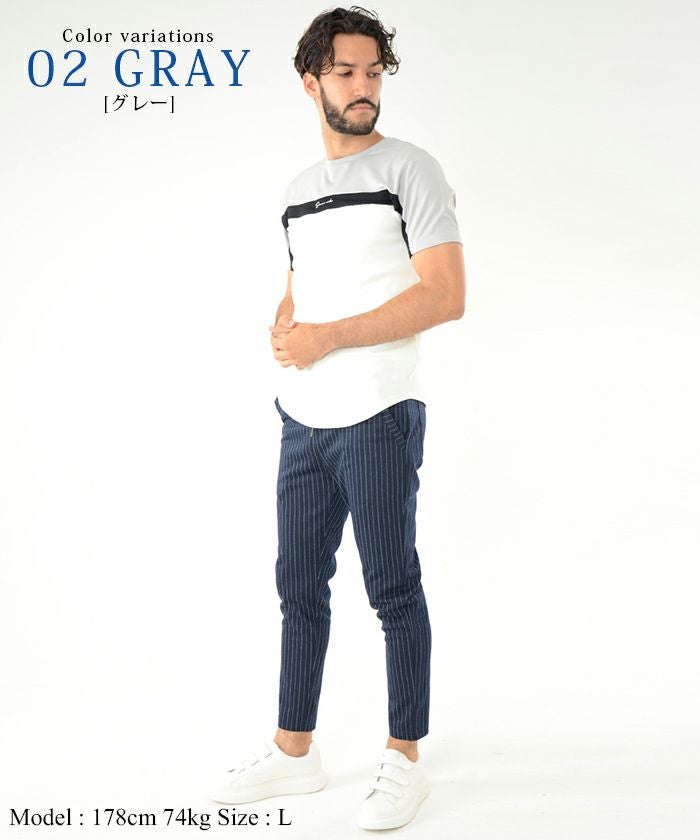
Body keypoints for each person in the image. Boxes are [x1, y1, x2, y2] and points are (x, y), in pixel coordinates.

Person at [208, 6, 465, 831]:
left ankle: (404, 758)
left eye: (373, 72)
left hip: (380, 411)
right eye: (346, 72)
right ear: (310, 81)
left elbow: (445, 296)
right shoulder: (297, 192)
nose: (364, 88)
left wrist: (330, 337)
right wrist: (287, 326)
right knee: (297, 586)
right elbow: (303, 284)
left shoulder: (411, 169)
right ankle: (296, 752)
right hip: (303, 418)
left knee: (392, 588)